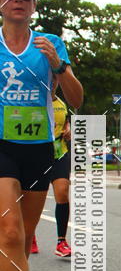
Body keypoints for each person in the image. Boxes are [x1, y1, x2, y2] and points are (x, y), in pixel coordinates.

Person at [0, 0, 83, 271]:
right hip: (1, 145)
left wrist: (60, 66)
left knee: (27, 234)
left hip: (38, 148)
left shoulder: (51, 44)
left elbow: (77, 101)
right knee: (11, 233)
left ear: (33, 5)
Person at [32, 83, 73, 258]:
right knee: (30, 201)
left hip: (59, 153)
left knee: (62, 192)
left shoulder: (62, 104)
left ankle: (61, 242)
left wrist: (68, 130)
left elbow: (67, 123)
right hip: (36, 154)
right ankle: (29, 237)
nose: (53, 83)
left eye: (55, 79)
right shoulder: (34, 100)